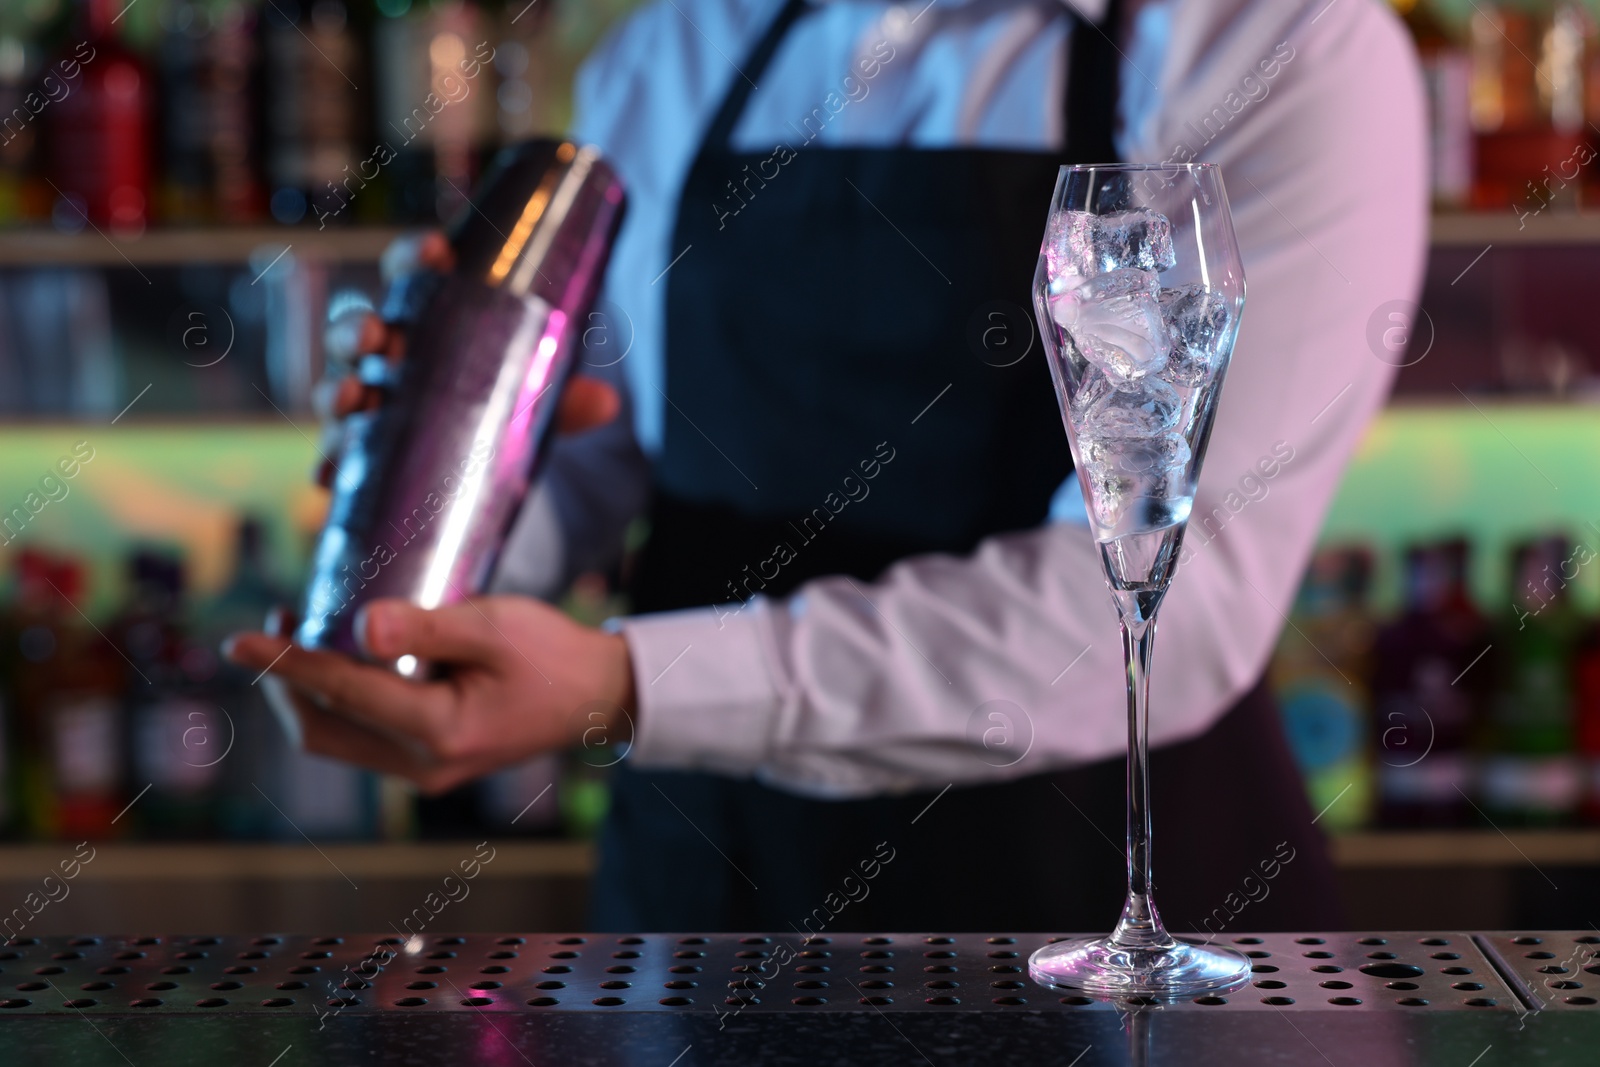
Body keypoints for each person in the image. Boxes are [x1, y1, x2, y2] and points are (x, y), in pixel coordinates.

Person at [225, 0, 1426, 933]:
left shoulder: (1279, 47)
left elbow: (1182, 584)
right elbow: (609, 452)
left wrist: (626, 685)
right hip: (710, 883)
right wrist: (423, 489)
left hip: (1084, 901)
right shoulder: (684, 40)